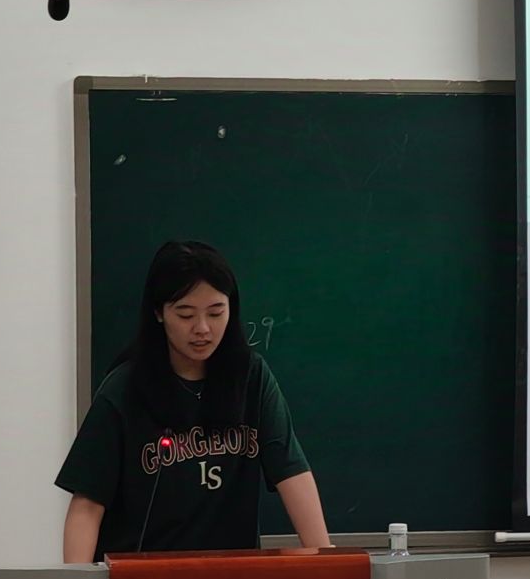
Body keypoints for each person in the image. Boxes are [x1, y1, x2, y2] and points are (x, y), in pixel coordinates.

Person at [57, 240, 330, 560]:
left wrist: (329, 563)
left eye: (216, 313)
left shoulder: (250, 377)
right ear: (158, 312)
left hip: (233, 577)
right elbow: (87, 506)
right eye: (185, 314)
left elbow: (292, 473)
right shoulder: (123, 389)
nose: (202, 328)